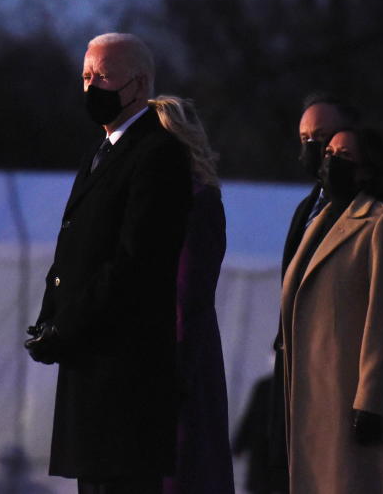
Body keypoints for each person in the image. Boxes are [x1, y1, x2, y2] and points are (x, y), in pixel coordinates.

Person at [26, 33, 193, 494]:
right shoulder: (102, 153)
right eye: (84, 76)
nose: (89, 87)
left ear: (137, 84)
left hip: (125, 378)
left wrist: (70, 324)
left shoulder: (156, 154)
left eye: (101, 76)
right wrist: (50, 316)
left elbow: (134, 262)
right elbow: (77, 246)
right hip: (94, 367)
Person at [279, 127, 383, 493]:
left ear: (368, 169)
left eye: (343, 156)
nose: (328, 162)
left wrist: (369, 400)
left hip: (348, 391)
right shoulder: (321, 221)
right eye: (328, 153)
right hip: (315, 388)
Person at [269, 92, 361, 488]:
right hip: (296, 374)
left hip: (337, 374)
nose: (312, 146)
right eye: (304, 137)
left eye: (321, 135)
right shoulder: (306, 206)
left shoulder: (369, 211)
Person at [148, 95, 235, 494]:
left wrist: (175, 365)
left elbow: (190, 294)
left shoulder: (195, 203)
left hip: (176, 356)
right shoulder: (169, 199)